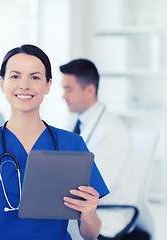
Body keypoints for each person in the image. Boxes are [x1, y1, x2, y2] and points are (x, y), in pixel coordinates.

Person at [0, 44, 109, 240]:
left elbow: (90, 234)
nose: (24, 85)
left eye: (35, 77)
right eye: (15, 76)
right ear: (2, 84)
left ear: (48, 85)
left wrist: (89, 215)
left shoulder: (72, 144)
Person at [60, 59, 139, 238]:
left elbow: (94, 187)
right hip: (80, 211)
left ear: (89, 91)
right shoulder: (75, 121)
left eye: (68, 89)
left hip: (107, 217)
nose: (63, 96)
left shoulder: (113, 131)